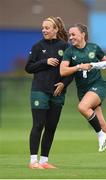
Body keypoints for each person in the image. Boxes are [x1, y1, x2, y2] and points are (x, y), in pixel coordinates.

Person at [60, 23, 106, 170]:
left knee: (82, 107)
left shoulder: (94, 48)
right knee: (104, 127)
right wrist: (79, 66)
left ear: (83, 34)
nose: (70, 37)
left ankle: (99, 135)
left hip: (98, 86)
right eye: (69, 35)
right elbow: (63, 71)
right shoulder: (69, 52)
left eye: (73, 34)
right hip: (83, 91)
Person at [25, 16, 72, 169]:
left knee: (51, 126)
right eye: (43, 27)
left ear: (56, 29)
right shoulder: (37, 46)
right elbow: (29, 67)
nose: (44, 30)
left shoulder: (65, 47)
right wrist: (45, 62)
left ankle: (44, 161)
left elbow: (72, 71)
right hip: (39, 91)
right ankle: (33, 161)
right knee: (38, 124)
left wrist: (63, 84)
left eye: (47, 28)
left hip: (57, 93)